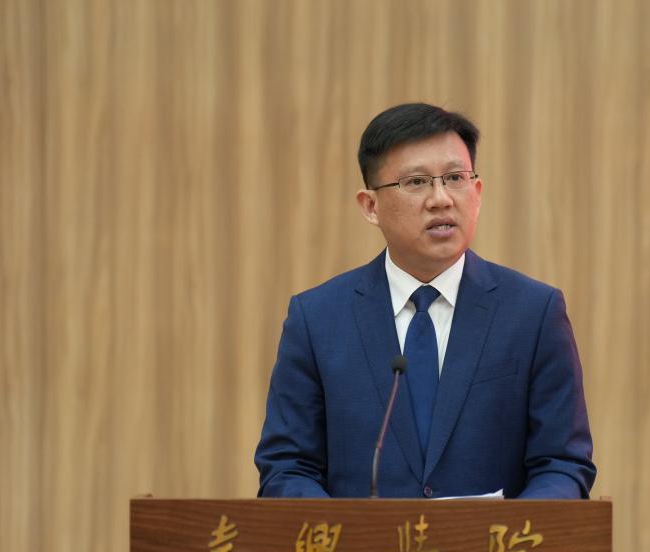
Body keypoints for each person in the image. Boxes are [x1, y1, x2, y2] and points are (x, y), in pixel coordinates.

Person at [254, 102, 595, 499]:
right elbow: (287, 468)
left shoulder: (533, 313)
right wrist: (348, 533)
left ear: (477, 193)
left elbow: (562, 465)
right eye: (416, 182)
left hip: (493, 541)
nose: (441, 199)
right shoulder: (317, 320)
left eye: (455, 178)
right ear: (370, 206)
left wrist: (508, 531)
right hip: (360, 542)